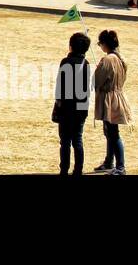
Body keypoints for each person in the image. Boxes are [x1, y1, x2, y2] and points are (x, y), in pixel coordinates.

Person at [92, 29, 131, 175]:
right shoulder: (121, 58)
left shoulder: (108, 60)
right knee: (110, 132)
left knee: (113, 133)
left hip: (109, 99)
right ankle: (109, 161)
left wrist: (98, 70)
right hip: (118, 96)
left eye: (100, 44)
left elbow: (96, 81)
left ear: (104, 44)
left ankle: (120, 166)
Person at [52, 32, 92, 176]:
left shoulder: (65, 62)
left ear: (71, 46)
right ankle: (78, 170)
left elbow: (59, 86)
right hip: (81, 107)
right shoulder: (86, 64)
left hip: (66, 108)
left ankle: (64, 169)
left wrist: (57, 103)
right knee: (78, 140)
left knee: (65, 141)